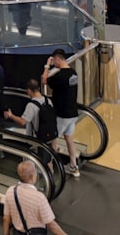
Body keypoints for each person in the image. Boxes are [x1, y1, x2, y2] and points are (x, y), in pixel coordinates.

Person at [2, 160, 69, 235]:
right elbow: (52, 225)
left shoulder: (10, 191)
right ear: (32, 176)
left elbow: (6, 218)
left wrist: (6, 233)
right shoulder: (39, 198)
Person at [43, 49, 81, 178]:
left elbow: (44, 80)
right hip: (73, 113)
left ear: (58, 59)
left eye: (54, 61)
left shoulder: (60, 76)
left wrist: (47, 66)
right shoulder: (73, 73)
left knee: (52, 139)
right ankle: (74, 166)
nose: (54, 64)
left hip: (62, 114)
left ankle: (51, 168)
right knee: (69, 139)